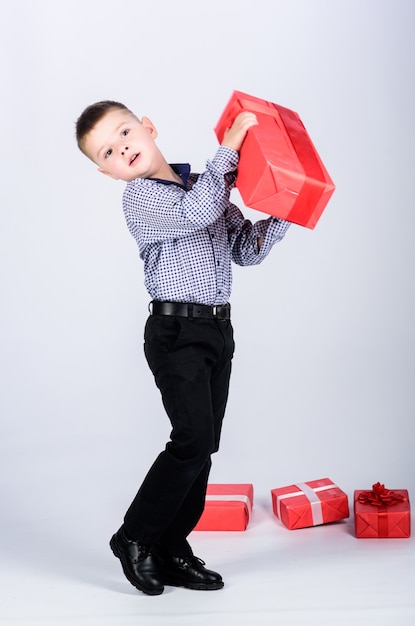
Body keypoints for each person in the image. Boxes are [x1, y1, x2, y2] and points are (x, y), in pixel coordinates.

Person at [75, 100, 291, 596]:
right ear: (107, 172)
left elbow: (244, 249)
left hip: (217, 329)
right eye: (108, 151)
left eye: (125, 133)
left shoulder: (204, 187)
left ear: (147, 127)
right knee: (191, 438)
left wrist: (284, 212)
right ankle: (134, 536)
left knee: (204, 446)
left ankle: (172, 546)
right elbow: (198, 214)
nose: (122, 148)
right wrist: (230, 147)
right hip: (177, 336)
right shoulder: (143, 200)